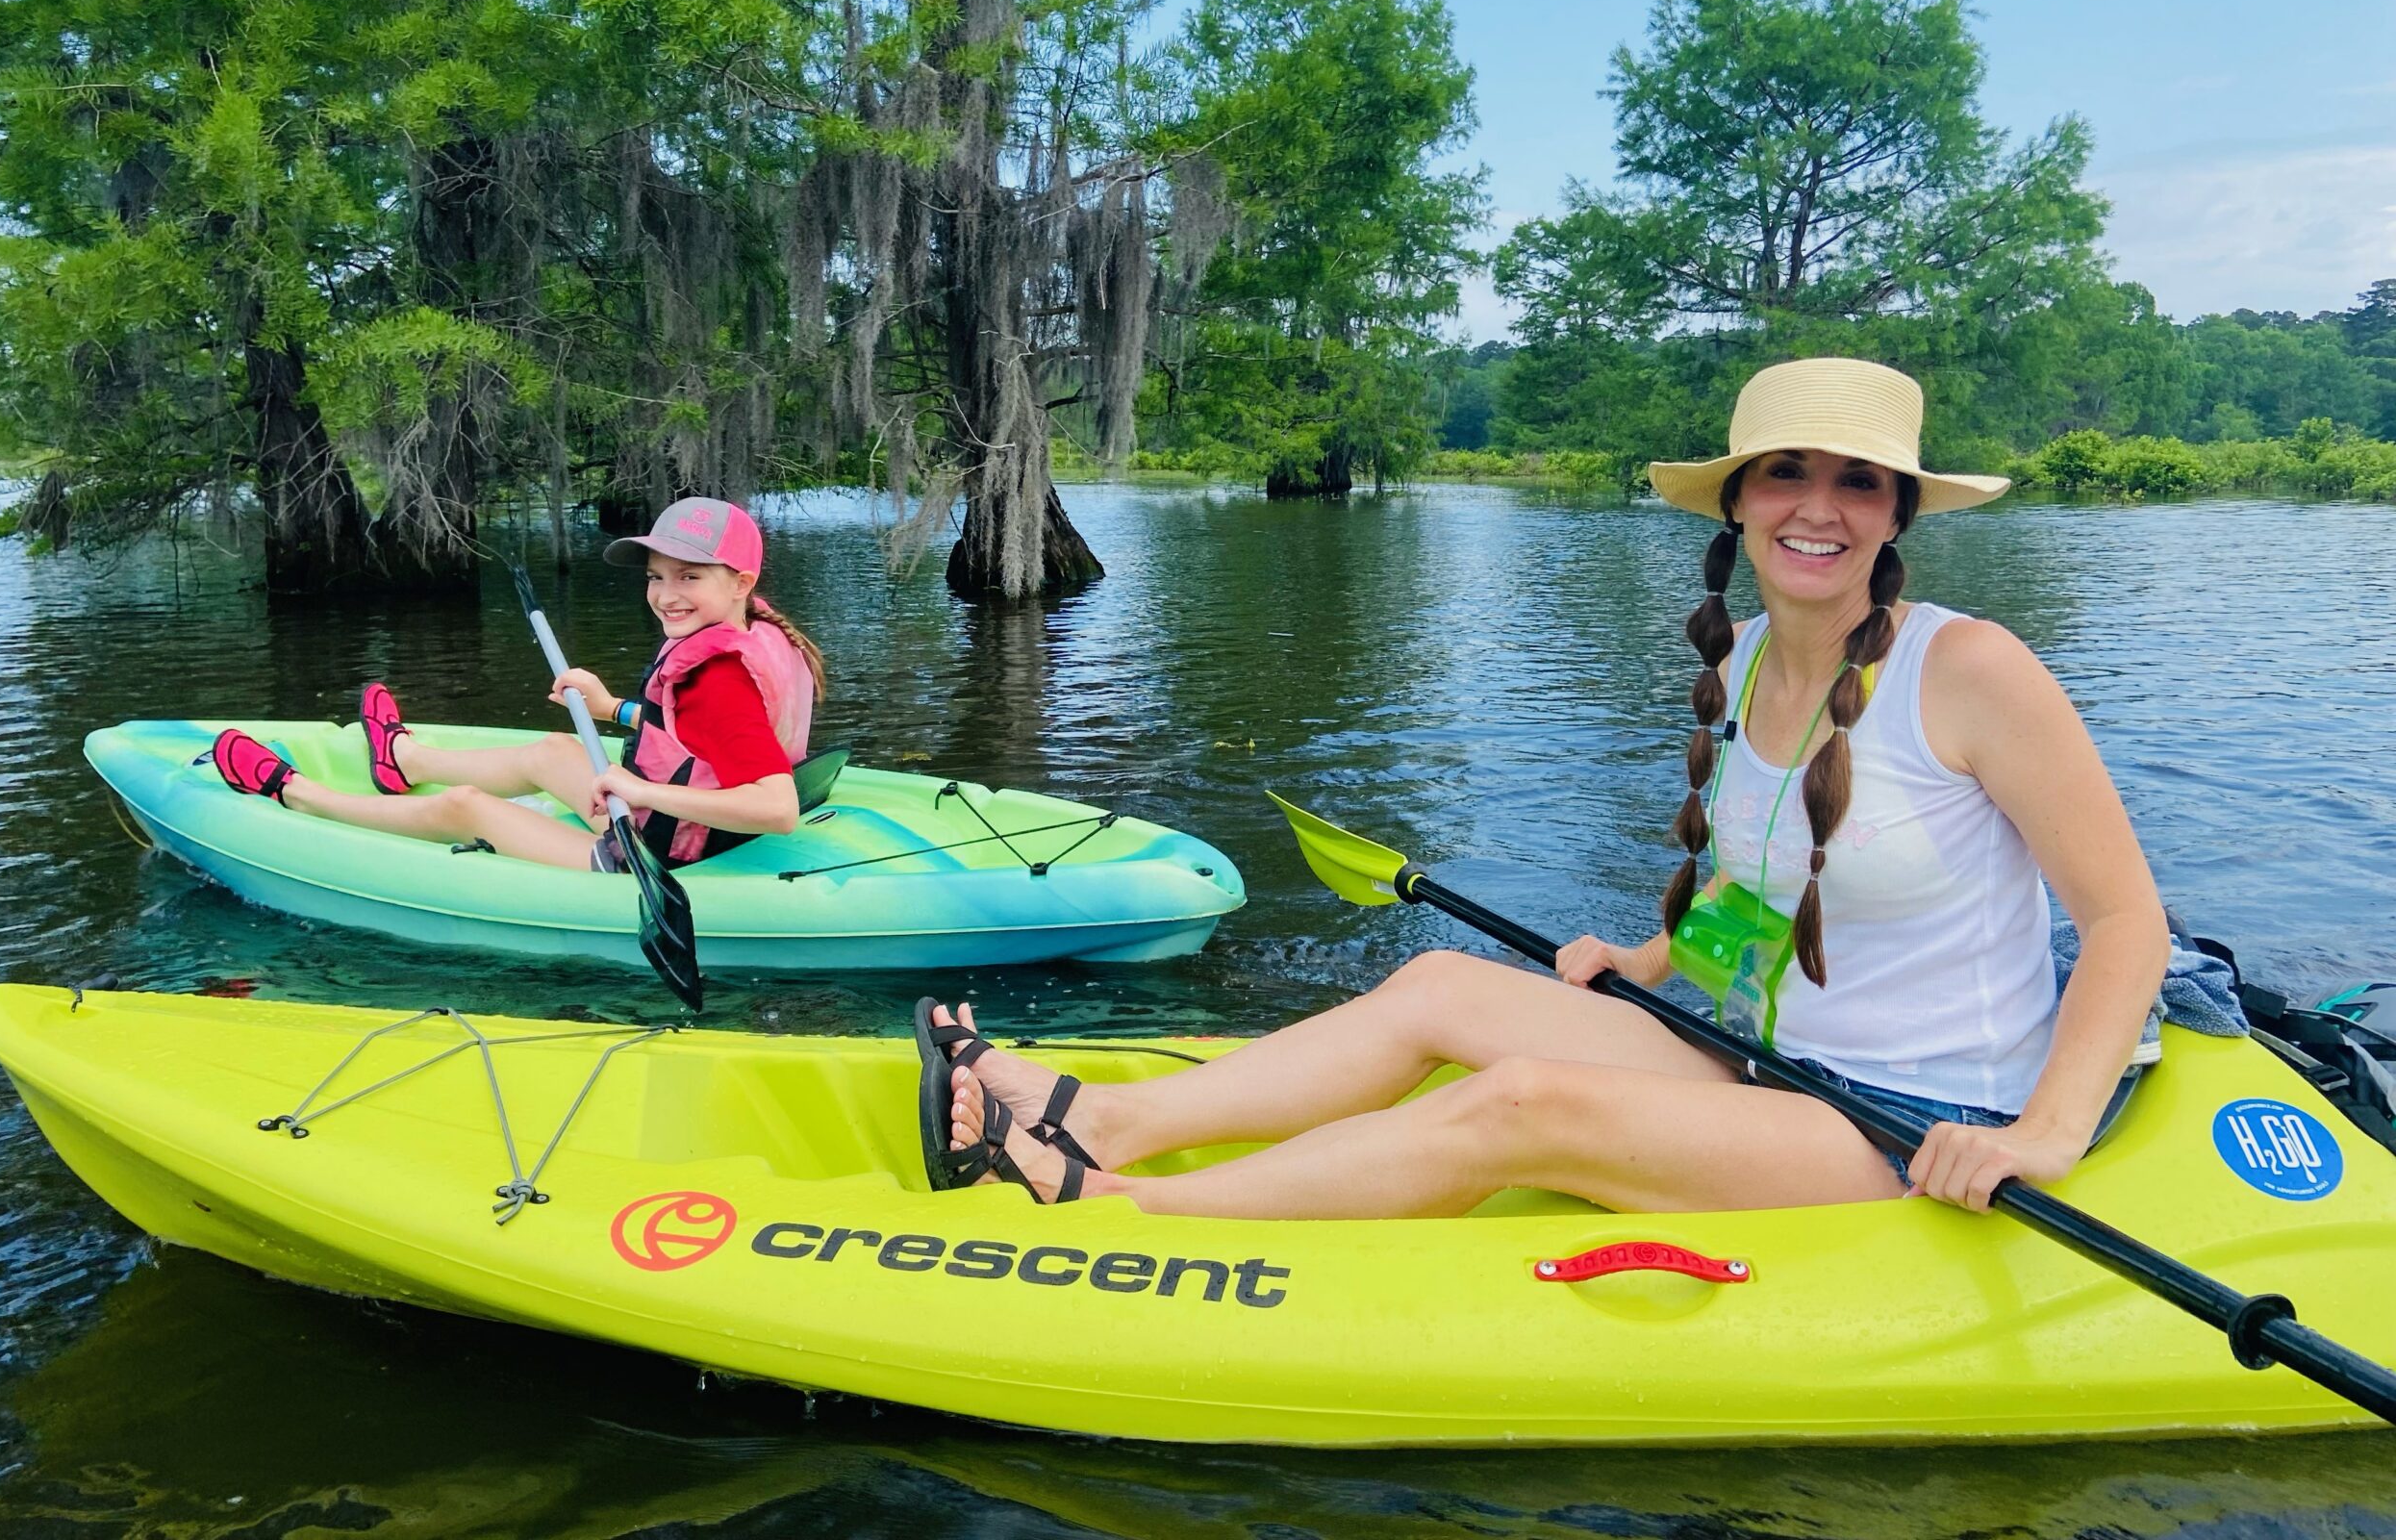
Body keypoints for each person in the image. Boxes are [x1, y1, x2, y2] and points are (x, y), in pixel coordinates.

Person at [921, 358, 2170, 1216]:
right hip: (1775, 1065)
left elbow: (2126, 925)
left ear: (1898, 512)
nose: (1818, 510)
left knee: (1524, 1100)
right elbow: (1768, 882)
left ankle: (1126, 1204)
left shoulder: (1970, 669)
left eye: (1857, 482)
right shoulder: (1737, 663)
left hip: (1920, 1121)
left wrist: (2042, 1134)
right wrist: (1652, 961)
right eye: (1786, 472)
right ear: (1738, 501)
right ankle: (1107, 1117)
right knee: (1438, 987)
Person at [209, 497, 824, 871]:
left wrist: (641, 791)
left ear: (740, 582)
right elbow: (704, 740)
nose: (665, 594)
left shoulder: (717, 677)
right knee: (553, 751)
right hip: (679, 822)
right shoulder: (761, 631)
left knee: (466, 807)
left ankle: (299, 796)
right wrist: (612, 708)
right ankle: (402, 758)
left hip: (662, 852)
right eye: (657, 576)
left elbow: (776, 809)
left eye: (689, 576)